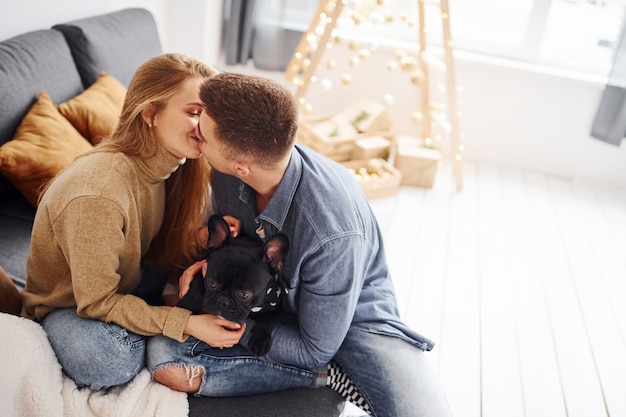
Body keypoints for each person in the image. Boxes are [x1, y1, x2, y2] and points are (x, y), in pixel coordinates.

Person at [147, 72, 453, 416]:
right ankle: (327, 377)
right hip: (267, 307)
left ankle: (329, 375)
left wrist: (214, 314)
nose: (196, 138)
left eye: (203, 135)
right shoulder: (229, 175)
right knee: (164, 356)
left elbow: (312, 349)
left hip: (351, 319)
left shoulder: (332, 232)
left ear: (241, 165)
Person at [19, 53, 245, 391]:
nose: (204, 127)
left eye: (209, 116)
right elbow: (95, 301)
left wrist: (199, 240)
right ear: (150, 112)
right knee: (111, 359)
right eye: (194, 112)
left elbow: (148, 245)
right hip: (70, 307)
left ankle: (155, 316)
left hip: (130, 279)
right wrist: (186, 323)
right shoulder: (98, 193)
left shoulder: (170, 167)